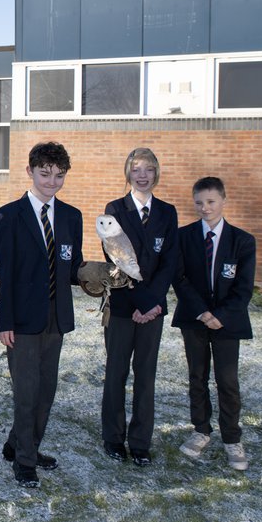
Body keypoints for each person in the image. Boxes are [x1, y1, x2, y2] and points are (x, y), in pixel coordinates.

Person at [0, 141, 82, 488]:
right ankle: (25, 462)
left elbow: (72, 267)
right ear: (30, 172)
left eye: (59, 176)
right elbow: (4, 275)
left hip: (55, 319)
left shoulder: (72, 217)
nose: (52, 182)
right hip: (22, 322)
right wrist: (5, 322)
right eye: (45, 174)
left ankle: (20, 444)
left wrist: (94, 275)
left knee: (46, 391)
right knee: (27, 392)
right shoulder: (9, 216)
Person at [99, 148, 178, 467]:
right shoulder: (114, 209)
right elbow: (114, 258)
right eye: (136, 169)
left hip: (153, 310)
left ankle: (141, 442)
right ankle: (114, 439)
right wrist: (138, 301)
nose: (142, 175)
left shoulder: (168, 212)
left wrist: (151, 303)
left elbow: (170, 261)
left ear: (156, 173)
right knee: (116, 373)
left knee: (146, 375)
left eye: (148, 169)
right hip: (121, 306)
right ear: (127, 173)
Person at [172, 177, 255, 471]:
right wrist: (202, 313)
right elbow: (179, 278)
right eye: (199, 203)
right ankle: (201, 430)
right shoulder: (183, 237)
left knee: (227, 380)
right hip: (194, 319)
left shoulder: (242, 241)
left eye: (210, 202)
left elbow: (244, 288)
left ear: (223, 200)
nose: (205, 208)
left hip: (228, 322)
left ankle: (232, 437)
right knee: (197, 376)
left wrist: (220, 315)